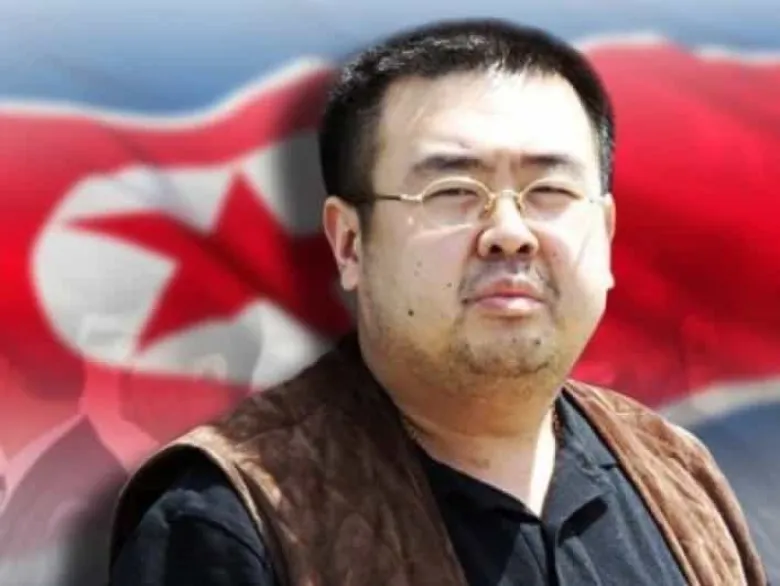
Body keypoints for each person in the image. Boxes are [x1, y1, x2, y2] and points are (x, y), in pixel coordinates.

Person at [107, 19, 767, 586]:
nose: (509, 232)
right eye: (453, 191)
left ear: (606, 232)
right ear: (349, 242)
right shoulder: (228, 518)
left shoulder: (677, 479)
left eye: (550, 191)